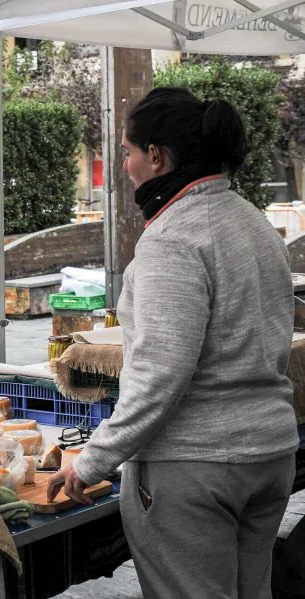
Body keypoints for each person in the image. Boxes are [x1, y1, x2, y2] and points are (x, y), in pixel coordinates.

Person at [48, 88, 299, 598]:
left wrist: (92, 460)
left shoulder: (173, 237)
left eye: (127, 151)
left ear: (157, 156)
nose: (125, 165)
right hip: (269, 455)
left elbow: (161, 373)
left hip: (197, 467)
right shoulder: (257, 225)